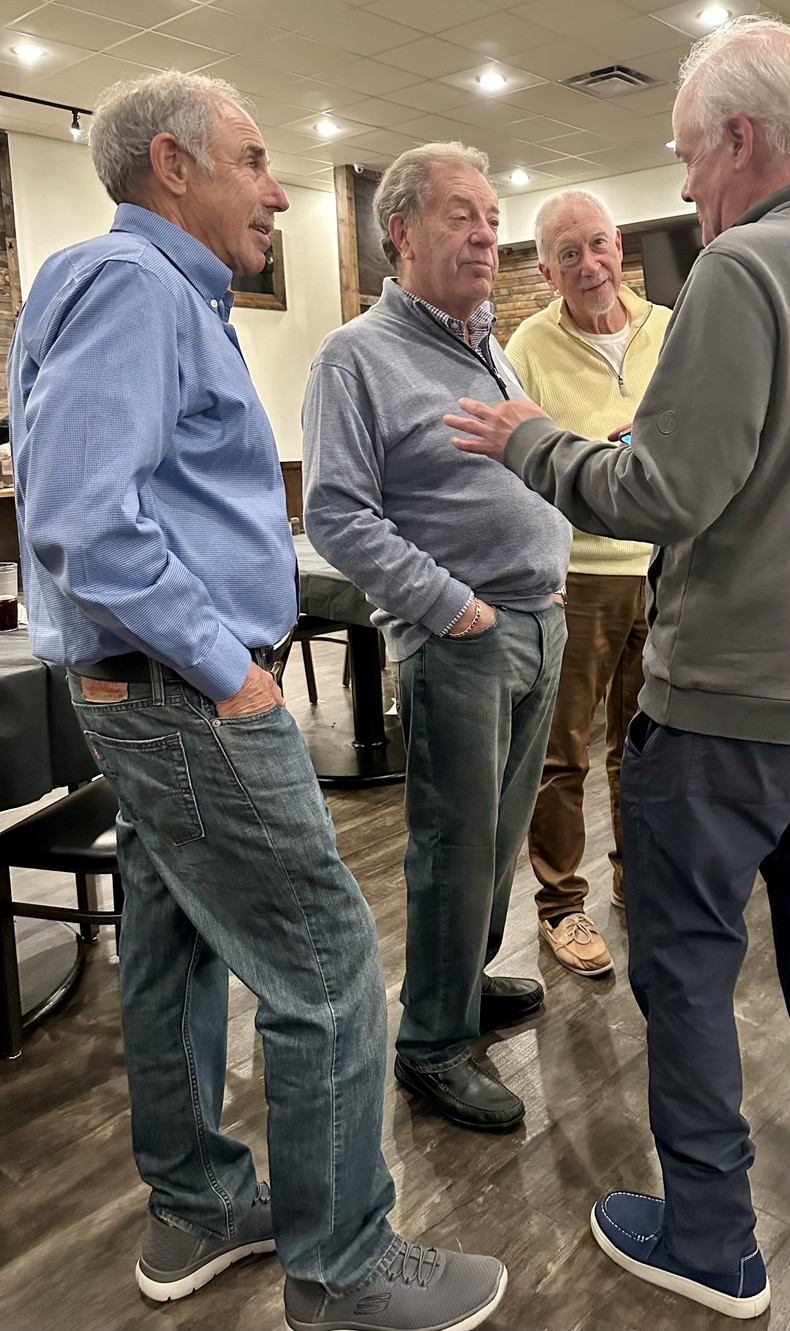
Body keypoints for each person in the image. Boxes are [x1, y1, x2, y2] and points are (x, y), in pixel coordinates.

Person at [445, 14, 790, 1320]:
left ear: (739, 138)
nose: (682, 183)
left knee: (685, 959)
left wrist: (530, 439)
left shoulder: (743, 267)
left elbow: (658, 494)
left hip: (725, 704)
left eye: (684, 155)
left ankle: (714, 1236)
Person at [7, 73, 506, 1331]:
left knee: (171, 947)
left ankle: (197, 1204)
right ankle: (342, 1269)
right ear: (172, 166)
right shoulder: (134, 285)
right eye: (253, 160)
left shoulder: (139, 287)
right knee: (326, 962)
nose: (279, 192)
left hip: (148, 689)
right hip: (184, 692)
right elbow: (79, 517)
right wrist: (227, 666)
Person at [301, 142, 571, 1134]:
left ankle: (461, 982)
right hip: (463, 635)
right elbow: (337, 512)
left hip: (536, 621)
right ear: (401, 230)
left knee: (497, 839)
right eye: (463, 214)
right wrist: (449, 604)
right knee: (453, 848)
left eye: (493, 217)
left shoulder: (484, 343)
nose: (487, 234)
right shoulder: (356, 356)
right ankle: (430, 1045)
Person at [504, 191, 670, 977]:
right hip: (577, 577)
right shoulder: (527, 348)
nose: (588, 264)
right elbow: (511, 466)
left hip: (666, 571)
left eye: (597, 244)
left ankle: (639, 878)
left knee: (645, 746)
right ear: (546, 272)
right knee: (561, 753)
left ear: (620, 245)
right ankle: (561, 904)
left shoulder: (669, 327)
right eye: (567, 254)